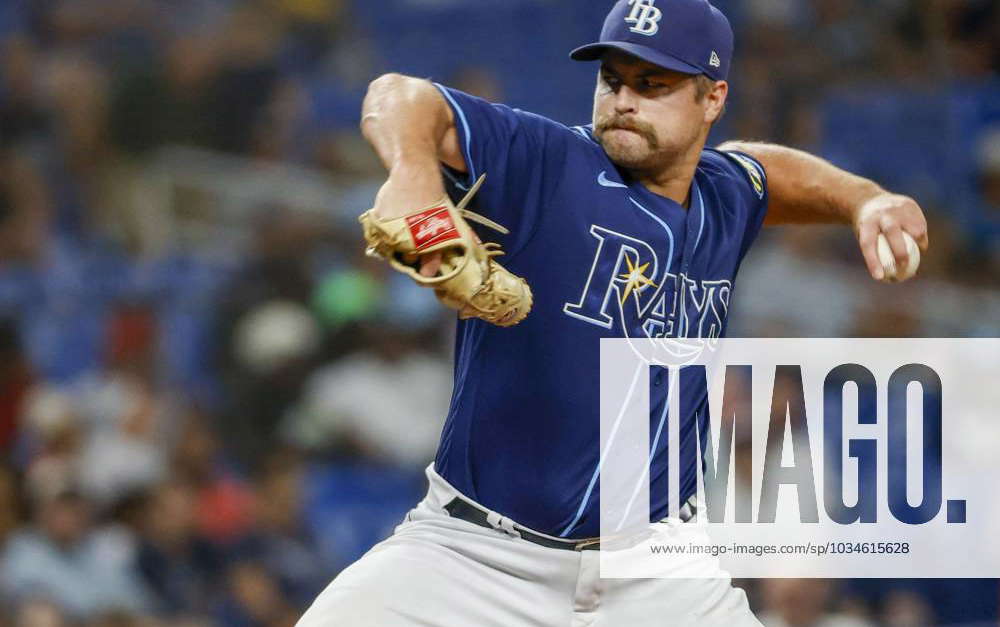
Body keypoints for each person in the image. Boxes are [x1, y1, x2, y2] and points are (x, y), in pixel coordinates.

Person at [298, 0, 929, 625]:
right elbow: (401, 96)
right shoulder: (548, 163)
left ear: (712, 99)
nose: (625, 100)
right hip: (477, 556)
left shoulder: (724, 198)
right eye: (613, 79)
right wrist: (414, 175)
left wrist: (864, 201)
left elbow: (768, 172)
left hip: (661, 574)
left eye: (653, 84)